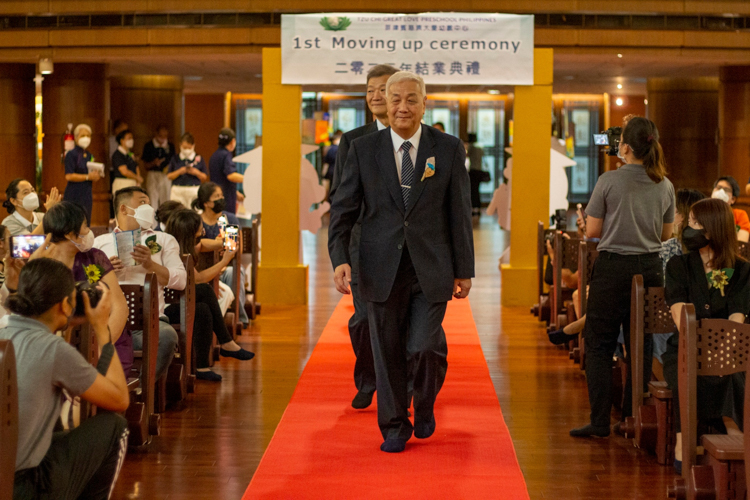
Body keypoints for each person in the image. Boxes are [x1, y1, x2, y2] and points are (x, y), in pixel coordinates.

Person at [329, 71, 475, 453]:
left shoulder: (446, 148)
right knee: (387, 350)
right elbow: (343, 210)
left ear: (425, 103)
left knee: (424, 346)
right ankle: (394, 425)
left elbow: (459, 213)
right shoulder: (364, 149)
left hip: (431, 266)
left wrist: (465, 269)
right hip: (378, 266)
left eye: (411, 99)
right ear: (384, 103)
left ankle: (423, 405)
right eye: (395, 99)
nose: (402, 107)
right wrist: (340, 258)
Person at [570, 116, 675, 438]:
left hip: (614, 267)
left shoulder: (609, 181)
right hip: (651, 267)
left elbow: (593, 231)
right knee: (639, 343)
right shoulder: (666, 184)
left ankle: (600, 421)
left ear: (625, 147)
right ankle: (632, 418)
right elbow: (665, 233)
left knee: (599, 344)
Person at [2, 258, 130, 499]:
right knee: (115, 427)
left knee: (55, 426)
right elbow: (119, 400)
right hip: (24, 487)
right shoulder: (52, 349)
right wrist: (102, 328)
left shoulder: (3, 332)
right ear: (64, 305)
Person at [328, 64, 399, 410]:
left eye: (382, 89)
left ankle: (399, 384)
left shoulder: (416, 139)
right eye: (369, 90)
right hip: (364, 247)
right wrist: (341, 252)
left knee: (398, 322)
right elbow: (341, 197)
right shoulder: (353, 140)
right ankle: (369, 379)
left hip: (404, 248)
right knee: (361, 321)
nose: (374, 96)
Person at [663, 198, 749, 471]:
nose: (687, 229)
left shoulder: (740, 269)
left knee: (734, 374)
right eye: (688, 223)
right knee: (684, 374)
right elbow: (678, 312)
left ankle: (736, 441)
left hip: (728, 349)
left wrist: (722, 352)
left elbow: (737, 314)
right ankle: (683, 440)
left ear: (711, 230)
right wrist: (699, 346)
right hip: (685, 347)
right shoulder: (679, 266)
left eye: (694, 224)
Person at [93, 186, 182, 381]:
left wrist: (151, 265)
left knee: (167, 337)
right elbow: (83, 282)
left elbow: (181, 281)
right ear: (124, 209)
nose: (148, 207)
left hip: (149, 324)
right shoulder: (100, 242)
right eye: (142, 202)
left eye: (149, 203)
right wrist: (105, 272)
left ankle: (141, 390)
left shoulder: (163, 239)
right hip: (107, 321)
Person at [40, 201, 132, 374]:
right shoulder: (43, 263)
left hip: (106, 339)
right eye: (84, 227)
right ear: (69, 234)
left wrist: (101, 347)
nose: (89, 232)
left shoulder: (94, 258)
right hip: (58, 346)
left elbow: (120, 307)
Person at [165, 209, 255, 381]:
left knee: (203, 309)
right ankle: (226, 342)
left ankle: (202, 367)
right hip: (165, 309)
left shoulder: (184, 244)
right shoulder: (174, 252)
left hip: (180, 303)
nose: (203, 229)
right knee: (205, 290)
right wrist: (225, 260)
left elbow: (203, 244)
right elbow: (197, 280)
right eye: (199, 227)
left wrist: (223, 244)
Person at [192, 182, 249, 326]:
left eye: (221, 196)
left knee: (233, 271)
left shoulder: (229, 219)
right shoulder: (196, 221)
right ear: (206, 203)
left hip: (226, 266)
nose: (221, 199)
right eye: (217, 196)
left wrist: (224, 261)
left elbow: (237, 249)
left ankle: (238, 317)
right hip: (202, 269)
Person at [64, 123, 100, 223]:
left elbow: (91, 174)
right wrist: (88, 177)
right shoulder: (71, 154)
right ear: (76, 138)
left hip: (87, 193)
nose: (86, 138)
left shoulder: (89, 155)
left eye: (88, 136)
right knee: (73, 222)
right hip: (74, 193)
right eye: (83, 135)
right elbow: (69, 176)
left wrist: (95, 176)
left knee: (86, 221)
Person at [168, 132, 208, 209]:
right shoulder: (175, 158)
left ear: (193, 146)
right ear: (180, 145)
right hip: (178, 190)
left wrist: (196, 172)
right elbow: (169, 176)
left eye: (189, 148)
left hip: (193, 189)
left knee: (195, 212)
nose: (186, 150)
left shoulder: (199, 158)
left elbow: (204, 177)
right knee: (177, 212)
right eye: (184, 147)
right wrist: (179, 171)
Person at [209, 127, 244, 215]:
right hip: (226, 199)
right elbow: (230, 175)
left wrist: (235, 192)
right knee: (228, 224)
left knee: (220, 224)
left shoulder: (214, 155)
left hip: (216, 197)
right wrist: (249, 178)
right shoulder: (226, 155)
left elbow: (221, 177)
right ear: (232, 141)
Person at [142, 125, 175, 211]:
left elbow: (173, 162)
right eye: (161, 136)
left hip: (165, 175)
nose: (163, 138)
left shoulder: (170, 146)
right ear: (156, 134)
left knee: (166, 199)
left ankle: (165, 221)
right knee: (153, 199)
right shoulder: (149, 146)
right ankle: (153, 223)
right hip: (152, 174)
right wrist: (153, 163)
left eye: (165, 136)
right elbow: (145, 165)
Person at [711, 176, 750, 242]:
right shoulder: (702, 212)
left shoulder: (739, 215)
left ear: (733, 199)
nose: (721, 191)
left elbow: (741, 244)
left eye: (726, 190)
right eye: (718, 188)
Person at [111, 129, 143, 196]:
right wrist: (137, 178)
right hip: (122, 183)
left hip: (133, 184)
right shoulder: (118, 154)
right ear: (122, 140)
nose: (131, 140)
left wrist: (138, 180)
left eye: (132, 138)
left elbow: (136, 166)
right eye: (129, 138)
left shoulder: (130, 154)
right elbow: (124, 171)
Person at [466, 133, 486, 215]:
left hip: (473, 171)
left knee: (472, 190)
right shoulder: (480, 148)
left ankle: (473, 208)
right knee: (477, 190)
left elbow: (467, 155)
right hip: (479, 170)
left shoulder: (471, 147)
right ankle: (478, 208)